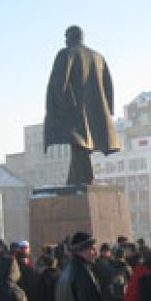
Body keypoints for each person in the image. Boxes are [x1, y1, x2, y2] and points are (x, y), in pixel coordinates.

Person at [43, 25, 121, 185]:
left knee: (80, 145)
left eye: (66, 38)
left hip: (74, 111)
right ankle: (78, 180)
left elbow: (58, 84)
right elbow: (108, 87)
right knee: (81, 148)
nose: (65, 41)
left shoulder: (66, 53)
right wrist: (107, 112)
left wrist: (58, 109)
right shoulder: (98, 57)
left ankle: (81, 180)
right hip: (95, 112)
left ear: (70, 37)